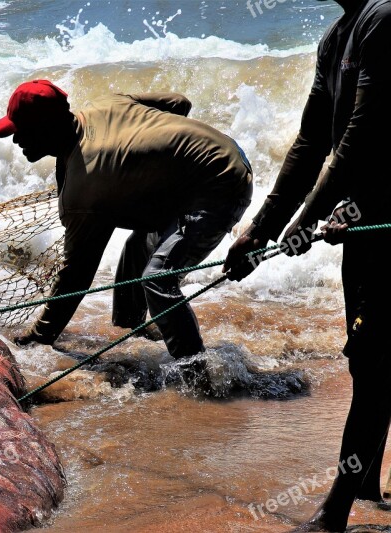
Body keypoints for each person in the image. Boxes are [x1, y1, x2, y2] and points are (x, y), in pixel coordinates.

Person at [223, 0, 391, 530]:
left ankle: (334, 513)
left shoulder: (384, 19)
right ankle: (365, 478)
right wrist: (262, 228)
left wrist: (306, 220)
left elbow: (360, 141)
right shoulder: (336, 37)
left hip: (385, 225)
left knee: (375, 365)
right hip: (364, 220)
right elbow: (312, 142)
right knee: (369, 362)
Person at [0, 80, 253, 359]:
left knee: (158, 279)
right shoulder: (105, 104)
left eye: (22, 131)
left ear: (46, 129)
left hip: (222, 183)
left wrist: (37, 338)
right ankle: (133, 327)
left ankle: (197, 374)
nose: (16, 140)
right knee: (139, 243)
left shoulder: (88, 182)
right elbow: (179, 102)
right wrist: (155, 155)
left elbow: (75, 277)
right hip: (221, 156)